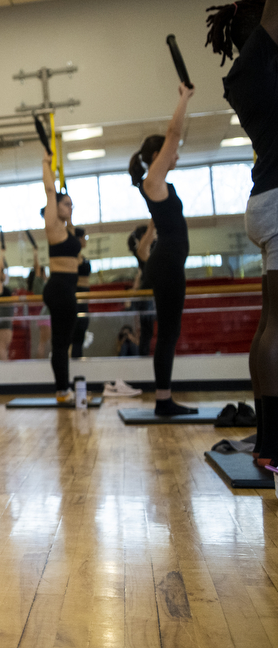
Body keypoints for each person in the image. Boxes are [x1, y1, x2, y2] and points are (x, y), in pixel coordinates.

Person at [220, 0, 278, 464]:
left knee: (271, 323)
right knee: (276, 325)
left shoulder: (244, 72)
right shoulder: (263, 60)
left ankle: (269, 439)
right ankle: (273, 442)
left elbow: (266, 1)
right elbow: (273, 6)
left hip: (267, 199)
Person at [131, 83, 197, 417]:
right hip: (167, 264)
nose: (177, 153)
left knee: (169, 333)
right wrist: (183, 99)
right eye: (170, 151)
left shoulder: (161, 184)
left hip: (168, 263)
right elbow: (173, 133)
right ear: (157, 157)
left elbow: (172, 141)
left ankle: (163, 399)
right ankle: (163, 400)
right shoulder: (152, 182)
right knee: (168, 334)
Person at [40, 162, 81, 403]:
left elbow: (76, 241)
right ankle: (62, 390)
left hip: (65, 289)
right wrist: (47, 162)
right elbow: (49, 190)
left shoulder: (67, 229)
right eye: (67, 203)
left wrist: (71, 216)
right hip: (59, 288)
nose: (70, 206)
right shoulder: (53, 226)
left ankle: (63, 389)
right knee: (60, 343)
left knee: (63, 342)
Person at [128, 221, 155, 356]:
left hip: (149, 292)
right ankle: (143, 357)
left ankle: (144, 356)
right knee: (146, 331)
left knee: (147, 331)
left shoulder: (146, 249)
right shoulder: (143, 250)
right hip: (147, 293)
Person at [70, 228, 92, 358]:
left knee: (82, 331)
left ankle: (78, 357)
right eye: (84, 237)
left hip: (84, 297)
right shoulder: (73, 257)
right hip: (78, 295)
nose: (85, 240)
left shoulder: (81, 257)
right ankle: (75, 359)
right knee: (77, 332)